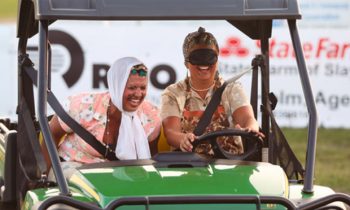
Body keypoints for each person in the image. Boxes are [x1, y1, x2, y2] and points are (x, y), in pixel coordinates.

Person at [43, 57, 161, 178]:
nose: (138, 94)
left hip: (117, 176)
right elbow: (51, 133)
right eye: (132, 88)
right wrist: (43, 177)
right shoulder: (82, 105)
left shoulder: (152, 116)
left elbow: (150, 161)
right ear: (116, 86)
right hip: (74, 168)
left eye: (143, 88)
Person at [160, 27, 262, 157]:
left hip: (230, 166)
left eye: (209, 57)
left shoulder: (232, 90)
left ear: (217, 60)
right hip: (189, 167)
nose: (204, 63)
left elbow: (248, 119)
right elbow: (170, 132)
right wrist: (182, 139)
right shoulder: (173, 93)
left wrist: (251, 129)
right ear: (186, 62)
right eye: (197, 57)